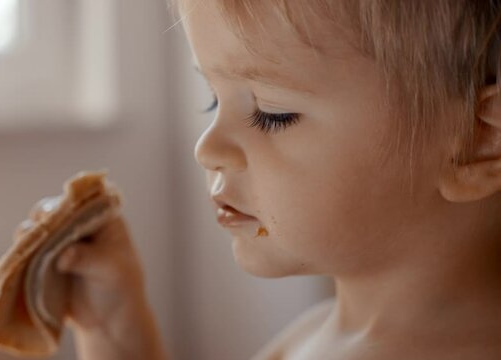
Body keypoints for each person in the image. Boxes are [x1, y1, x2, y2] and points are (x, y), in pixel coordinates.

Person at [56, 1, 501, 358]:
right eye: (213, 101)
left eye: (272, 113)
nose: (206, 149)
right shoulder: (315, 335)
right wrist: (113, 332)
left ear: (477, 143)